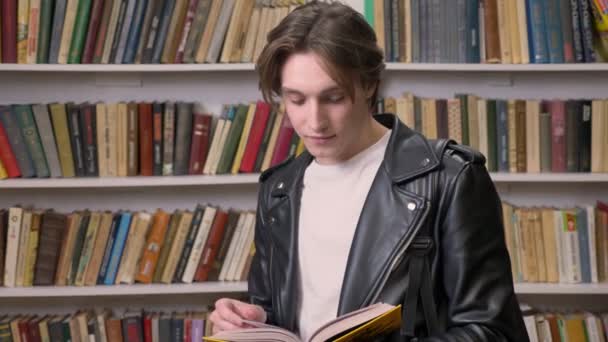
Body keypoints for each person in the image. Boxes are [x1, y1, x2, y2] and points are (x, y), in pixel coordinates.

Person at [209, 1, 529, 341]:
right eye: (296, 100)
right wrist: (252, 321)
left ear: (369, 85)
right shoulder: (279, 188)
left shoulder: (449, 178)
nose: (314, 122)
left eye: (333, 98)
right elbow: (279, 309)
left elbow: (494, 333)